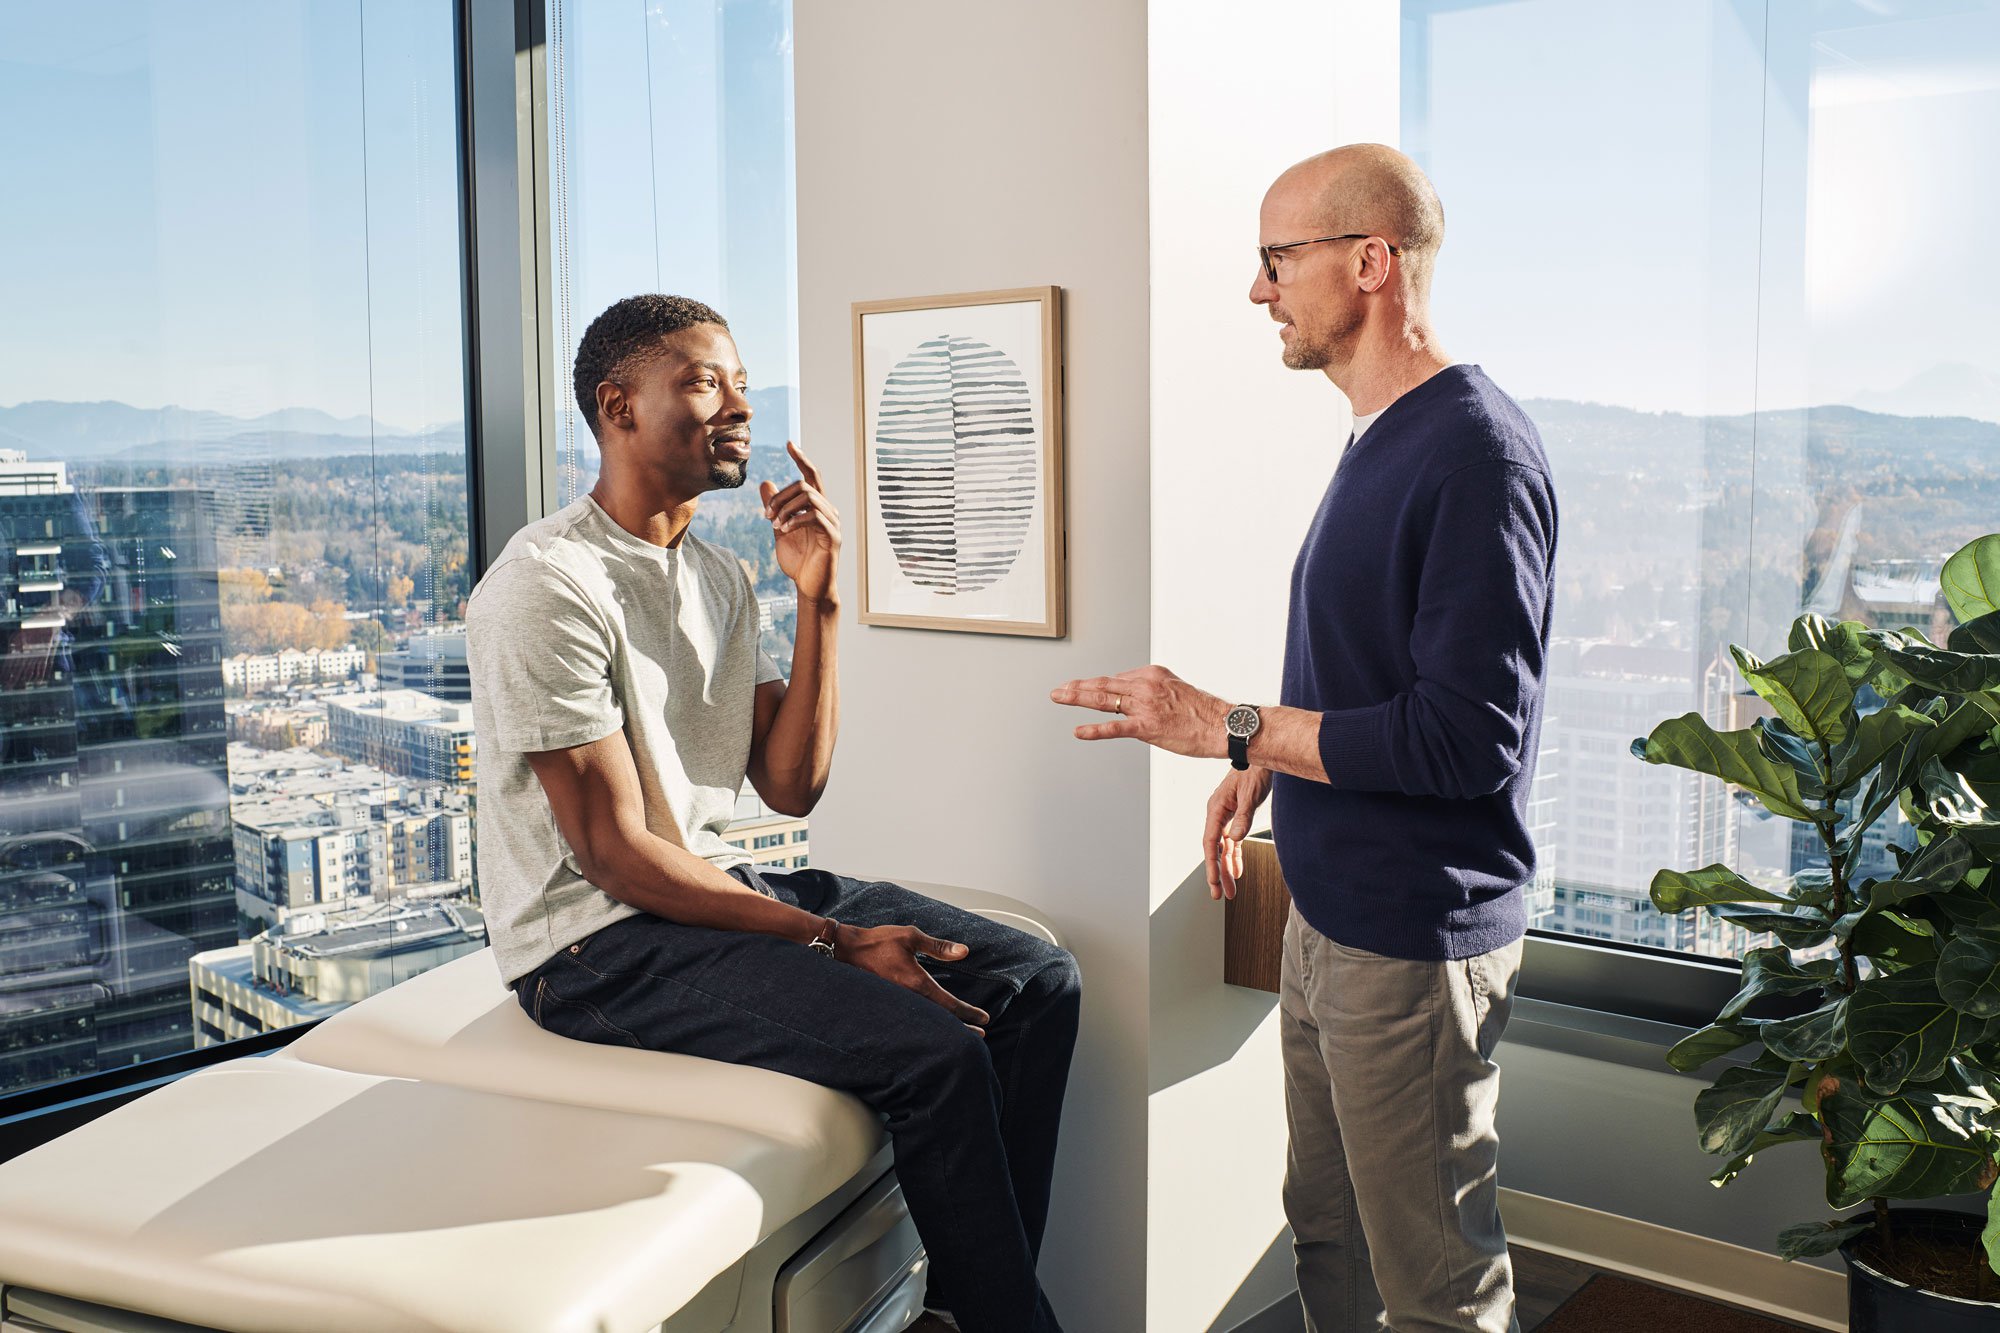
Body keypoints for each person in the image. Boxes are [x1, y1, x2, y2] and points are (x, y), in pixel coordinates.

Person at [466, 294, 1080, 1333]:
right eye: (706, 382)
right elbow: (614, 855)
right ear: (618, 405)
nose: (740, 406)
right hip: (591, 947)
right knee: (934, 1056)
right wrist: (831, 939)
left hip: (704, 889)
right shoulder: (545, 585)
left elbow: (790, 785)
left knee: (1035, 978)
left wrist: (821, 601)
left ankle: (966, 1310)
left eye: (742, 383)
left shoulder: (717, 574)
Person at [1052, 144, 1556, 1332]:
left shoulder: (1473, 452)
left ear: (1370, 262)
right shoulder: (1379, 434)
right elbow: (1374, 671)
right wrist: (1261, 762)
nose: (1257, 288)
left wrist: (1226, 724)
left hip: (1411, 937)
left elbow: (1465, 739)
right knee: (1328, 1239)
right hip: (1327, 919)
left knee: (1432, 1288)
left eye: (1276, 258)